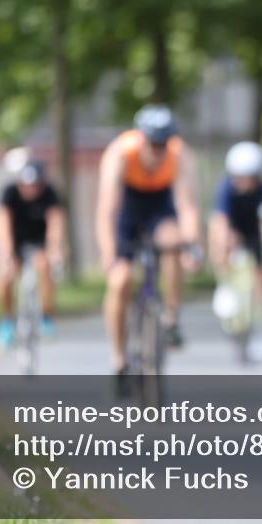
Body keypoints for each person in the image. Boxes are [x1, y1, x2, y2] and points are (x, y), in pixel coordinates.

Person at [95, 105, 201, 379]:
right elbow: (107, 209)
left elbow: (188, 206)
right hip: (127, 211)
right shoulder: (120, 154)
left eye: (163, 144)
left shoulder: (179, 154)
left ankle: (171, 318)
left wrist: (192, 245)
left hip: (159, 207)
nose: (158, 150)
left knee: (174, 243)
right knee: (120, 281)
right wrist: (108, 252)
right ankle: (118, 356)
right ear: (140, 138)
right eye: (153, 144)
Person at [208, 141, 262, 362]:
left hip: (254, 231)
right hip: (232, 229)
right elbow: (219, 222)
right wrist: (222, 251)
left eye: (249, 177)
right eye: (240, 176)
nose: (244, 182)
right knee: (222, 242)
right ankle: (225, 286)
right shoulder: (225, 190)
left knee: (261, 271)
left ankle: (257, 324)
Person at [0, 159, 64, 348]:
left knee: (45, 266)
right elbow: (2, 224)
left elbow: (55, 223)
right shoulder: (9, 193)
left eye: (35, 185)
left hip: (39, 242)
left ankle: (46, 317)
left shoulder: (50, 193)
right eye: (27, 184)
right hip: (15, 241)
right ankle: (7, 321)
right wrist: (6, 253)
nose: (31, 189)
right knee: (4, 274)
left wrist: (54, 249)